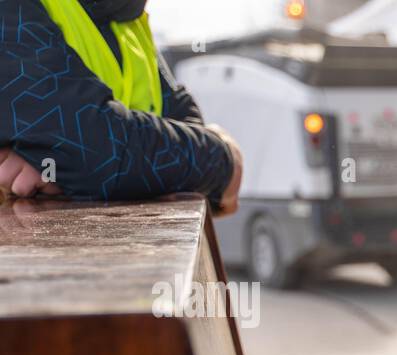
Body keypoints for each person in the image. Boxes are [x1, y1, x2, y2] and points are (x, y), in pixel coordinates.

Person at [0, 0, 240, 213]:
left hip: (109, 255)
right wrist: (223, 161)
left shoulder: (126, 14)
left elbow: (183, 124)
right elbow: (98, 151)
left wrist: (69, 164)